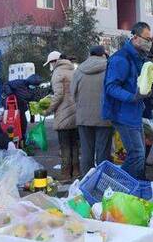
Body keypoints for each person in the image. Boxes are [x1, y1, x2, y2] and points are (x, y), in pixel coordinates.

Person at [103, 22, 153, 180]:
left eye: (151, 39)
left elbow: (136, 83)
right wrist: (133, 96)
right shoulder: (121, 58)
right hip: (123, 113)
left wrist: (144, 91)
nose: (150, 42)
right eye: (147, 39)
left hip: (134, 112)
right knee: (137, 154)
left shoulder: (138, 57)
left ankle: (132, 185)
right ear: (135, 38)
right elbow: (111, 87)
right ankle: (119, 185)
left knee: (138, 155)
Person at [71, 45, 113, 174]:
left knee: (86, 152)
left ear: (90, 54)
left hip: (83, 117)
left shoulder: (79, 70)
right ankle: (102, 181)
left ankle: (86, 182)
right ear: (103, 55)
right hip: (104, 117)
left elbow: (72, 93)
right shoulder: (110, 68)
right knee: (103, 152)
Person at [42, 51, 79, 182]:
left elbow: (58, 95)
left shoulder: (58, 73)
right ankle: (76, 171)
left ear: (54, 61)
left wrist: (48, 110)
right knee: (74, 144)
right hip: (75, 112)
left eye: (50, 63)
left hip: (63, 114)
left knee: (65, 146)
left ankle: (65, 173)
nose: (50, 66)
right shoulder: (73, 70)